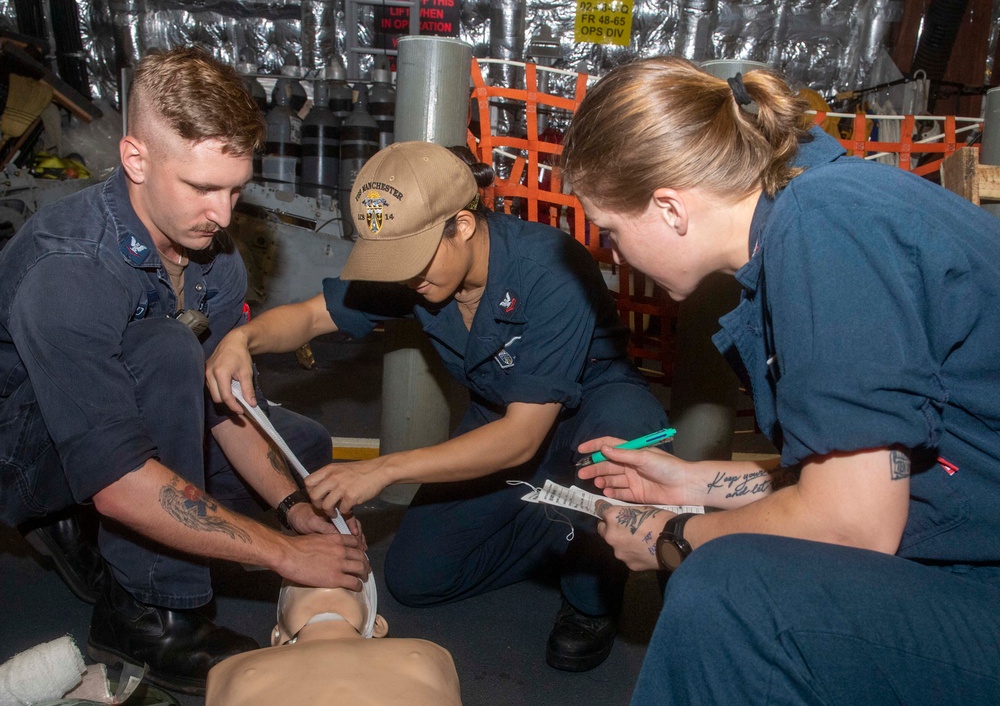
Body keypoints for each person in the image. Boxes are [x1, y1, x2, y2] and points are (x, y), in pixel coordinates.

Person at [559, 56, 1000, 704]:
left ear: (670, 208)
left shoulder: (825, 229)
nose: (617, 256)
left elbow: (854, 523)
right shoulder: (813, 206)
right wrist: (694, 484)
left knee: (726, 590)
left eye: (612, 233)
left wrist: (670, 537)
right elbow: (865, 475)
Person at [206, 141, 669, 672]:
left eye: (415, 259)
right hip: (501, 416)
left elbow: (521, 438)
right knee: (418, 579)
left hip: (591, 415)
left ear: (464, 226)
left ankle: (592, 593)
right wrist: (243, 339)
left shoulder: (549, 268)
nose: (406, 277)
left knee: (613, 459)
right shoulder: (414, 272)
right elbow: (311, 318)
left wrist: (383, 470)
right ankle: (557, 525)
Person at [0, 46, 369, 695]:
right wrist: (284, 553)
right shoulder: (69, 273)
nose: (224, 216)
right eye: (202, 188)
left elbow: (226, 405)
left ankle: (86, 531)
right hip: (24, 448)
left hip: (125, 411)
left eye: (234, 189)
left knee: (302, 456)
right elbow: (120, 481)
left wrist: (289, 508)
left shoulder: (212, 256)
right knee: (168, 350)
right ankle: (145, 613)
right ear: (135, 160)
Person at [205, 581, 462, 705]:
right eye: (303, 573)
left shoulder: (428, 653)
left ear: (377, 626)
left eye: (347, 573)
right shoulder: (229, 670)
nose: (323, 573)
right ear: (277, 635)